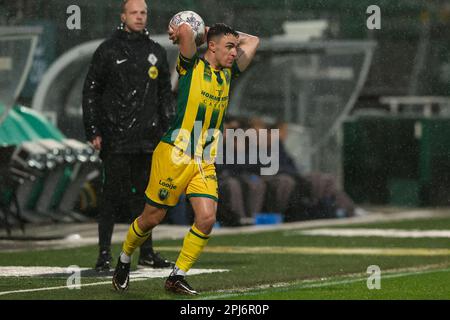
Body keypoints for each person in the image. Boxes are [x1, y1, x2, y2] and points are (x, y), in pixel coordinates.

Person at [112, 22, 259, 294]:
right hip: (175, 154)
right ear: (211, 46)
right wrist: (195, 32)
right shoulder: (190, 66)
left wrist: (230, 36)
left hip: (203, 159)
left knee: (206, 218)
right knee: (151, 218)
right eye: (228, 47)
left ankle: (176, 276)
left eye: (234, 48)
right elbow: (184, 30)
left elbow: (255, 41)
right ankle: (123, 257)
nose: (234, 52)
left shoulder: (228, 73)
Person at [82, 0, 174, 272]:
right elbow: (91, 92)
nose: (139, 17)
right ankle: (103, 254)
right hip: (115, 138)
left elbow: (164, 96)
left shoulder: (155, 51)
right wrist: (93, 129)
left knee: (147, 199)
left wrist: (167, 132)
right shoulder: (108, 50)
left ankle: (147, 252)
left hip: (148, 139)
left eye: (143, 12)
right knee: (110, 196)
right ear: (123, 16)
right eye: (134, 12)